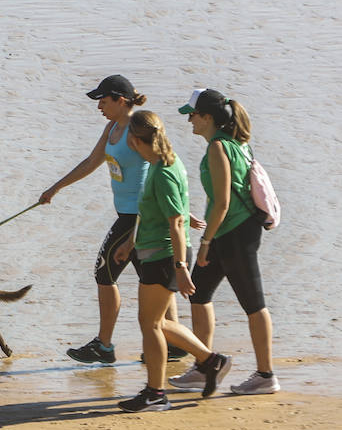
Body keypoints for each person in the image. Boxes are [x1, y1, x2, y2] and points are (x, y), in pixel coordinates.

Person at [39, 75, 185, 364]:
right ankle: (175, 343)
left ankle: (104, 346)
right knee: (153, 279)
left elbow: (163, 161)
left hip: (137, 216)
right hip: (128, 215)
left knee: (104, 274)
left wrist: (178, 208)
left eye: (103, 101)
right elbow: (92, 162)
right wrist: (56, 187)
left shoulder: (138, 128)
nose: (99, 107)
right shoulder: (112, 128)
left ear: (121, 100)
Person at [114, 111, 232, 412]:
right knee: (158, 322)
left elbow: (177, 222)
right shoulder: (160, 163)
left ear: (134, 140)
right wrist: (129, 243)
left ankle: (155, 393)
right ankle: (211, 360)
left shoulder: (164, 170)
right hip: (155, 252)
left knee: (149, 323)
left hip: (165, 256)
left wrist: (181, 268)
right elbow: (152, 209)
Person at [169, 89, 279, 395]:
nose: (189, 120)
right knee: (199, 293)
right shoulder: (236, 144)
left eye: (192, 114)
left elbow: (222, 203)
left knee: (253, 302)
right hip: (226, 232)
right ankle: (204, 367)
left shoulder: (219, 147)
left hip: (234, 233)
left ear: (207, 118)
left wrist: (204, 242)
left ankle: (266, 375)